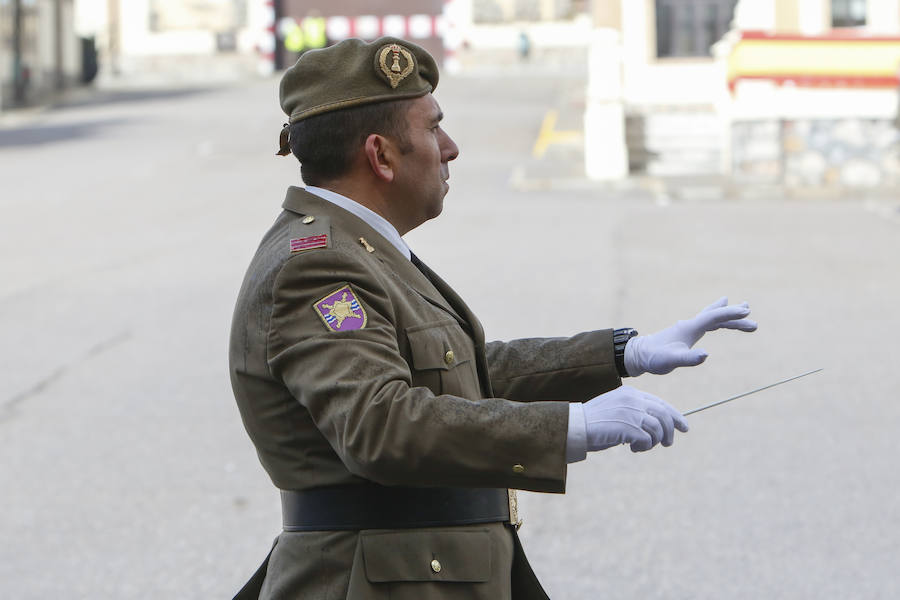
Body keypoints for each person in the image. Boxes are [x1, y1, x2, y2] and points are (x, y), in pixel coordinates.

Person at [229, 37, 757, 600]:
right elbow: (382, 424)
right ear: (381, 156)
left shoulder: (360, 249)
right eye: (433, 129)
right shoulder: (320, 266)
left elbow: (459, 372)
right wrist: (571, 426)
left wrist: (624, 353)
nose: (451, 148)